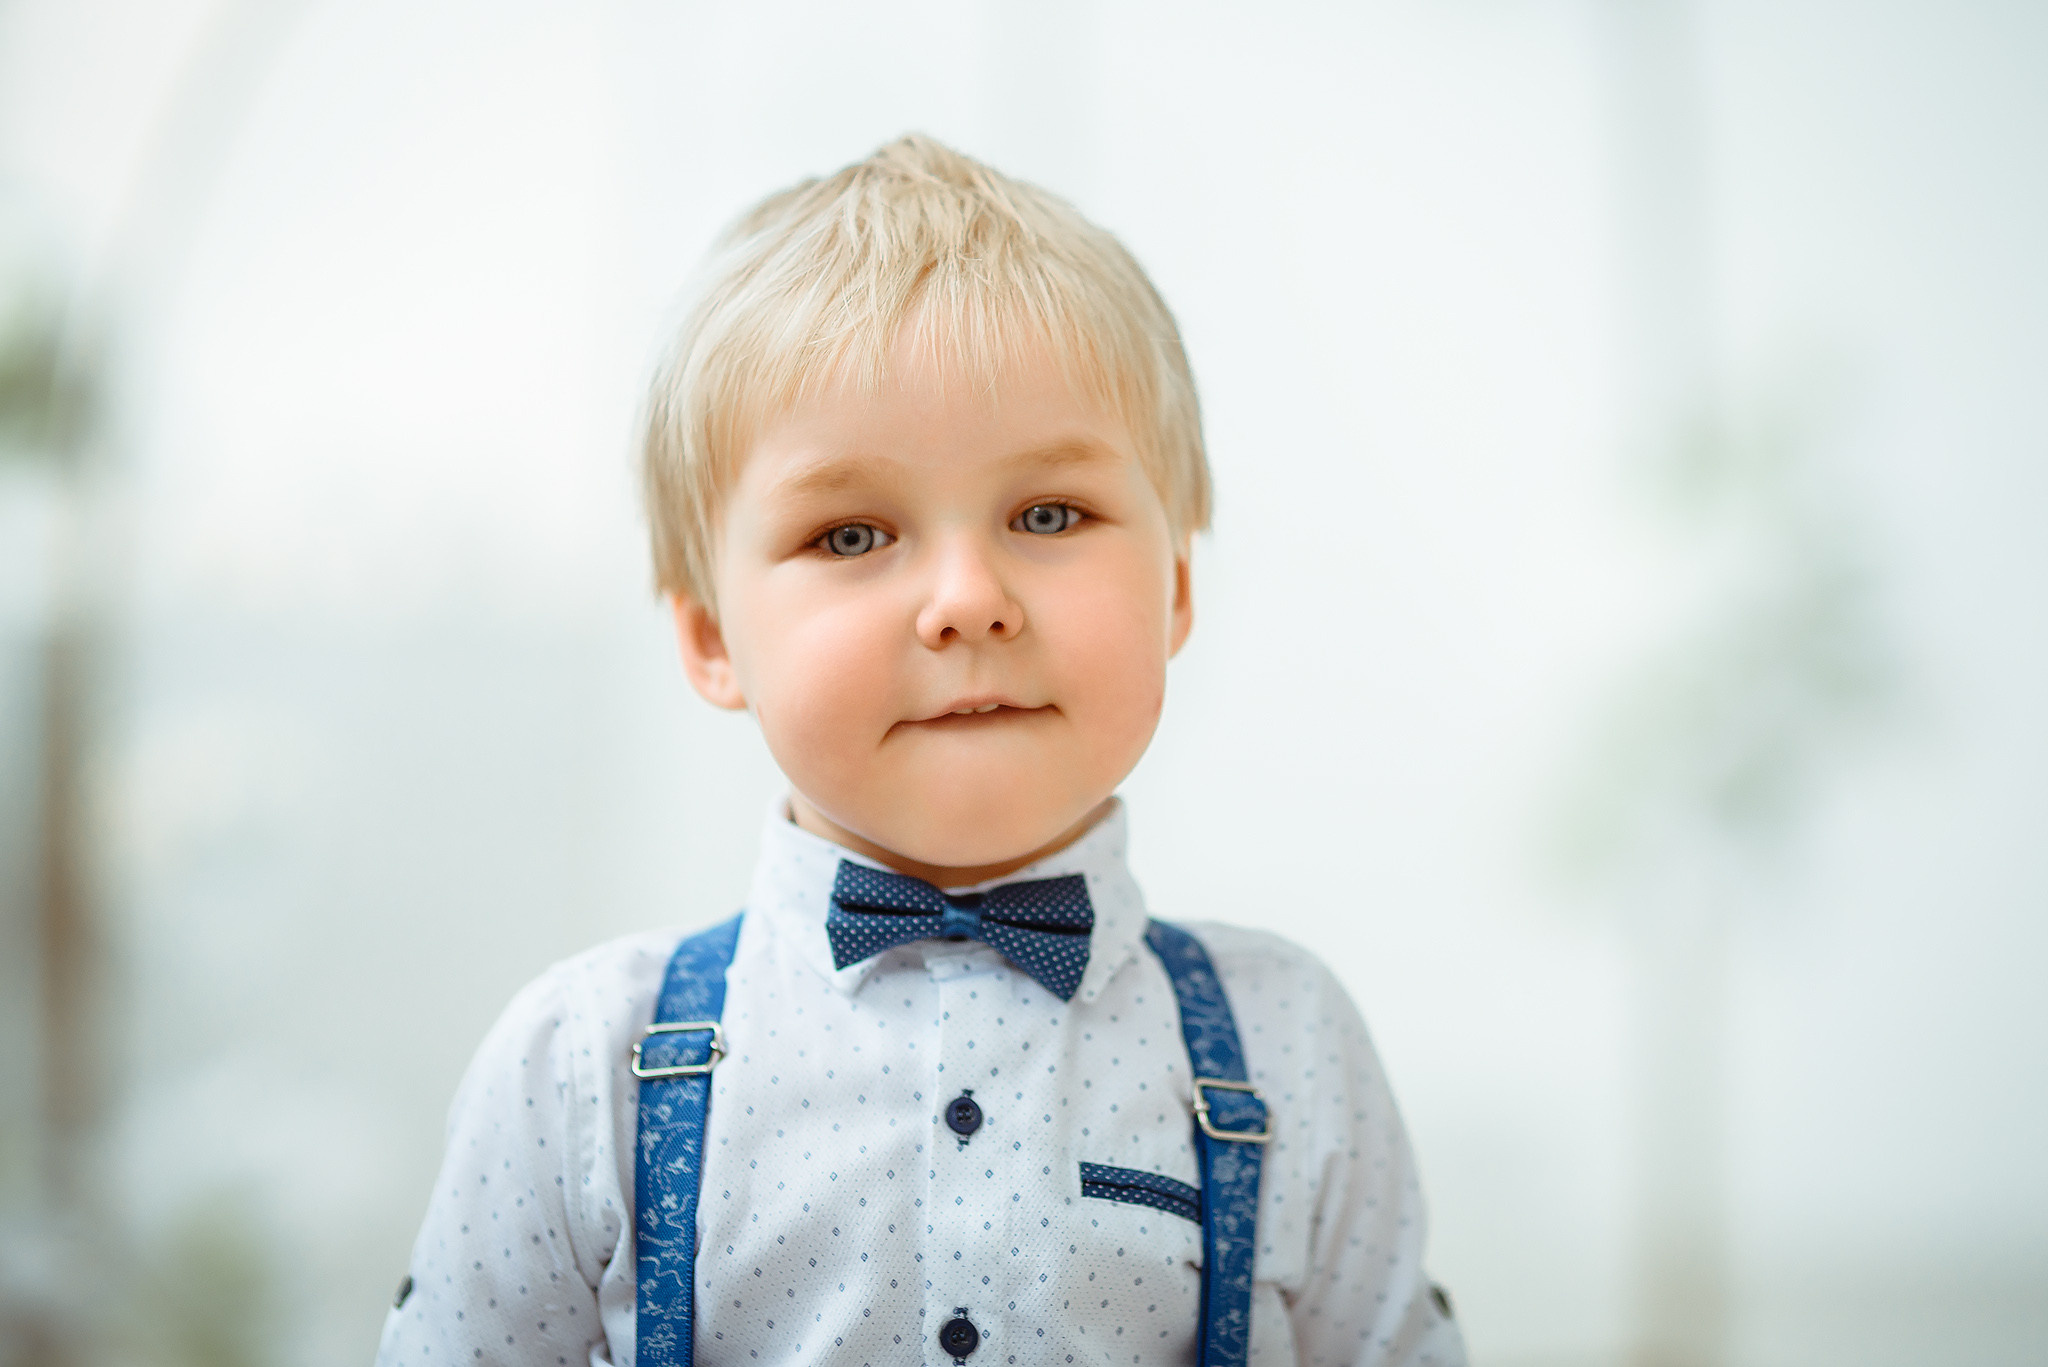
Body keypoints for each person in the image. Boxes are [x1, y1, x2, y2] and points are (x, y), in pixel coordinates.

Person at [376, 134, 1466, 1367]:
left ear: (1171, 588)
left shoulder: (1288, 1043)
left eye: (1047, 514)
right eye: (851, 534)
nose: (966, 598)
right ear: (709, 635)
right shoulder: (582, 1065)